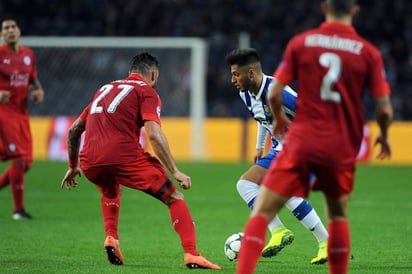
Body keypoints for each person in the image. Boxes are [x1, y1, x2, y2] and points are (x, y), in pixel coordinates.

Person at [236, 1, 393, 274]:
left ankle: (261, 254)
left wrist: (284, 122)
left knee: (267, 204)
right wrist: (385, 135)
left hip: (302, 142)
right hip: (339, 140)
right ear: (355, 11)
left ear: (324, 9)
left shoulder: (302, 43)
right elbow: (383, 107)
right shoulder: (368, 52)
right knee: (337, 212)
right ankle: (328, 252)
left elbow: (275, 95)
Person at [60, 52, 221, 270]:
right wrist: (175, 171)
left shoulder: (103, 90)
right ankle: (192, 254)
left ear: (130, 72)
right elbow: (153, 134)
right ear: (153, 74)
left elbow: (73, 131)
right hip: (124, 158)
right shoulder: (146, 91)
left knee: (110, 191)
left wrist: (72, 166)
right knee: (174, 196)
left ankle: (111, 238)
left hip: (90, 161)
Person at [226, 48, 328, 264]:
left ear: (251, 73)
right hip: (280, 148)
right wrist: (258, 146)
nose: (233, 79)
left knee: (269, 187)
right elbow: (261, 118)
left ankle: (304, 237)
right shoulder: (245, 93)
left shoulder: (278, 93)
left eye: (236, 74)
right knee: (252, 186)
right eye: (232, 74)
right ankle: (294, 235)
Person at [0, 19, 45, 220]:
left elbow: (32, 78)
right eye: (6, 28)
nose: (10, 31)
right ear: (2, 34)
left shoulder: (28, 55)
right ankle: (18, 210)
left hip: (22, 112)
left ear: (19, 31)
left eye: (13, 27)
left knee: (27, 162)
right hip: (4, 112)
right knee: (19, 158)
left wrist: (38, 90)